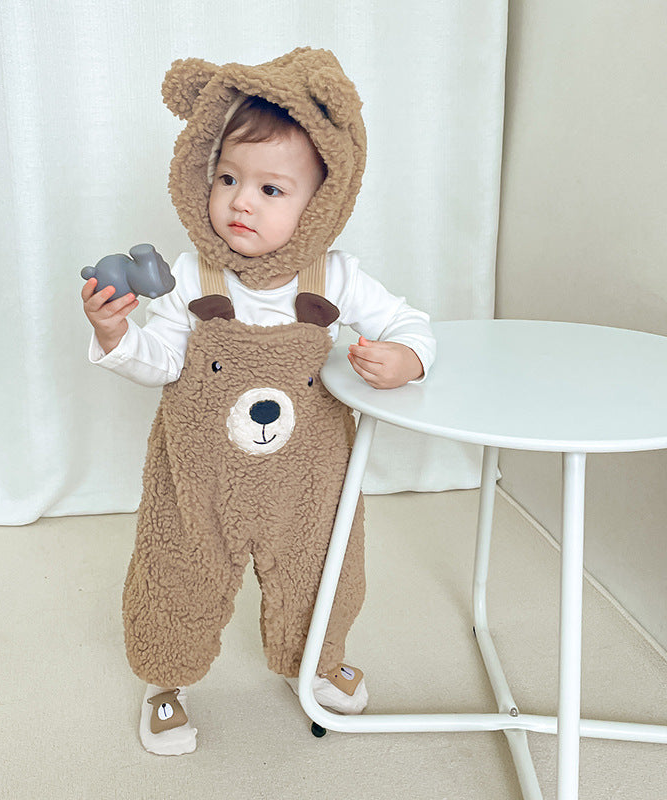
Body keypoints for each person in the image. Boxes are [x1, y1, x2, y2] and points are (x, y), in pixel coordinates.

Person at [81, 49, 435, 756]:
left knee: (322, 568)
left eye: (271, 189)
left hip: (307, 474)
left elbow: (410, 323)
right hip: (200, 471)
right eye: (228, 178)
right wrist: (117, 335)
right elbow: (162, 362)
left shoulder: (335, 276)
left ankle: (318, 658)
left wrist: (406, 358)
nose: (241, 201)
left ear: (321, 203)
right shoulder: (193, 275)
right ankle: (165, 679)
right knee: (178, 570)